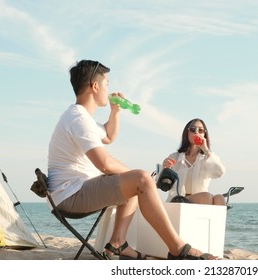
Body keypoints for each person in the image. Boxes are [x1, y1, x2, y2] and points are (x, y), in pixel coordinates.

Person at [47, 59, 217, 260]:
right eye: (106, 83)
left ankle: (117, 244)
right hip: (70, 195)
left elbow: (109, 136)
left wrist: (114, 111)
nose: (108, 88)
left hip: (73, 191)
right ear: (95, 86)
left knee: (134, 182)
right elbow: (104, 164)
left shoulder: (81, 118)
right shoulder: (78, 119)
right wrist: (140, 177)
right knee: (140, 179)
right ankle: (178, 248)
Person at [161, 118, 226, 205]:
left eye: (201, 130)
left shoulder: (207, 158)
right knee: (207, 197)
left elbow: (220, 173)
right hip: (178, 201)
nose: (196, 132)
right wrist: (165, 170)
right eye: (192, 129)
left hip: (202, 201)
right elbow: (163, 186)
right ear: (187, 133)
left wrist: (205, 149)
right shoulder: (174, 157)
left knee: (219, 198)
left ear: (204, 134)